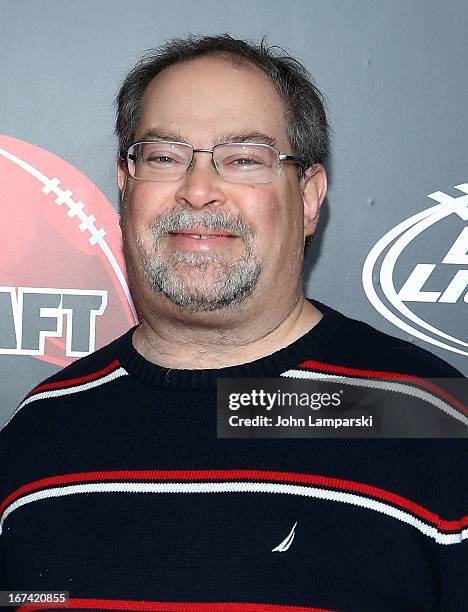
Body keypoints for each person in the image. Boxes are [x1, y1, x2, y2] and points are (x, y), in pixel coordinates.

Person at [0, 34, 466, 611]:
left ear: (309, 197)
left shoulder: (430, 422)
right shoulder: (39, 430)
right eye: (164, 157)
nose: (198, 190)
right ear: (126, 189)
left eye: (245, 158)